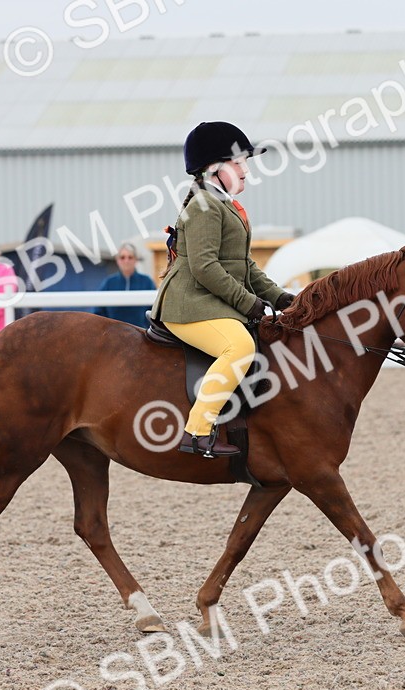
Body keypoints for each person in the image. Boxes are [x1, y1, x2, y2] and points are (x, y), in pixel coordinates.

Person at [150, 121, 295, 458]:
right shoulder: (204, 206)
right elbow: (205, 267)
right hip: (189, 304)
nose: (246, 169)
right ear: (214, 169)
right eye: (239, 162)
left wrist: (279, 297)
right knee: (240, 346)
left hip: (208, 301)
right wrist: (249, 304)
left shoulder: (223, 204)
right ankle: (197, 431)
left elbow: (243, 265)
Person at [95, 243, 155, 328]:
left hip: (141, 335)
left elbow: (155, 312)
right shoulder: (109, 283)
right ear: (117, 260)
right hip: (113, 336)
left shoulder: (147, 282)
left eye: (130, 257)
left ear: (136, 260)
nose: (126, 261)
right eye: (122, 257)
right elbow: (98, 312)